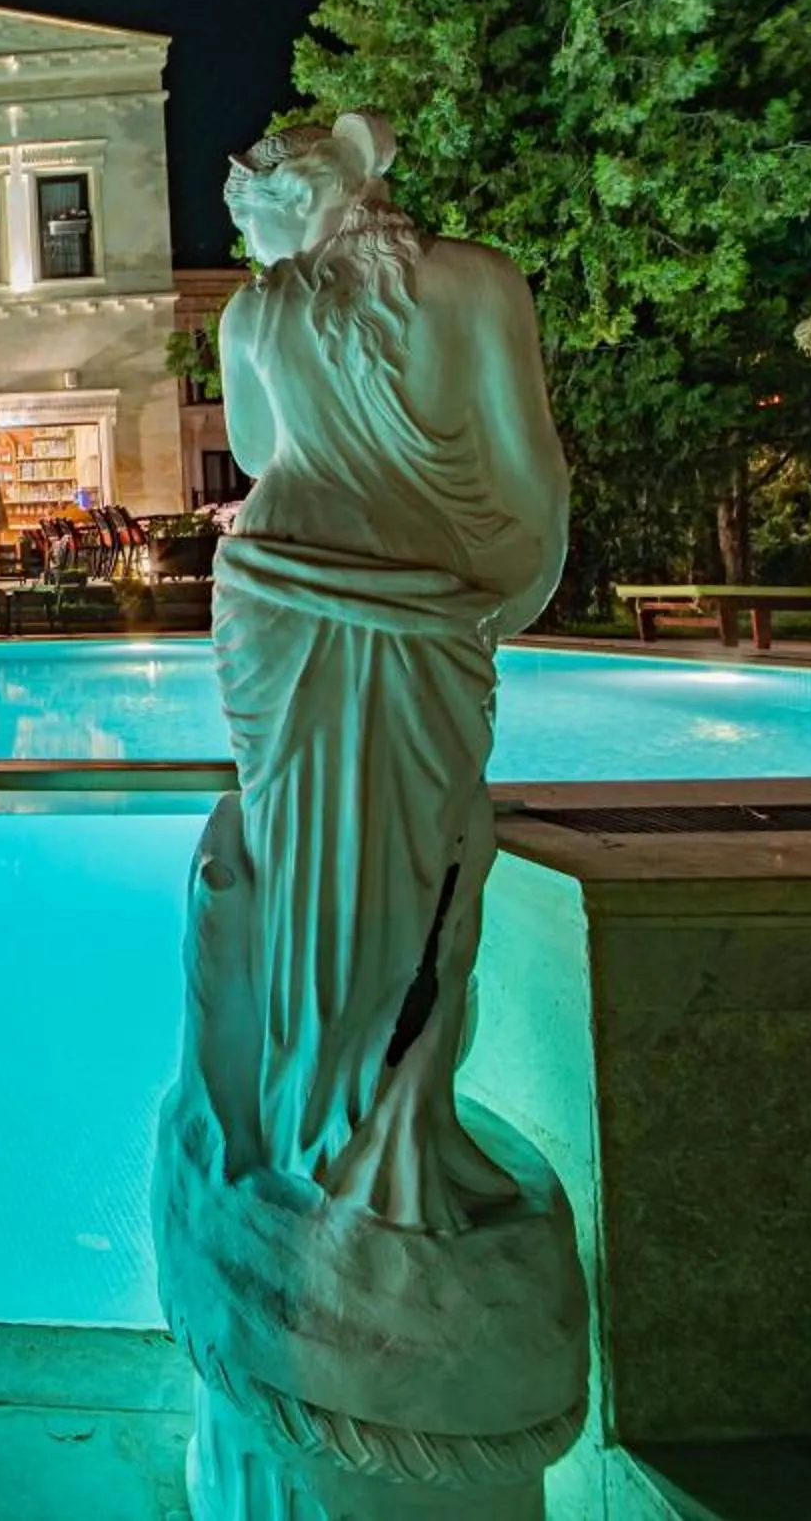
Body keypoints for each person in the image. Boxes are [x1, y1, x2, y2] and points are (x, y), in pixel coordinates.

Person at [195, 110, 568, 1231]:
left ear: (290, 205)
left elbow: (264, 456)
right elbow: (530, 473)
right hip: (423, 596)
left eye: (251, 224)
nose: (251, 253)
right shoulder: (480, 284)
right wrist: (495, 599)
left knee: (303, 845)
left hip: (281, 586)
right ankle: (389, 1120)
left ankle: (308, 1110)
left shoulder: (257, 312)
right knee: (423, 853)